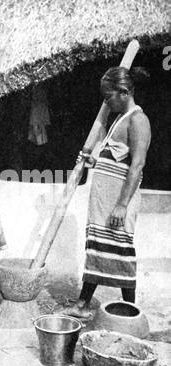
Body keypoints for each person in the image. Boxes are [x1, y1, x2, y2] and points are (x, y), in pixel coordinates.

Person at [64, 66, 151, 319]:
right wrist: (94, 161)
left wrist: (122, 205)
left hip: (118, 201)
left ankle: (130, 311)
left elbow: (137, 165)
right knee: (100, 249)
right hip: (104, 201)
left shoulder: (138, 119)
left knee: (120, 251)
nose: (106, 101)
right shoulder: (119, 120)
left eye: (108, 96)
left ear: (123, 92)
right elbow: (117, 158)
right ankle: (83, 303)